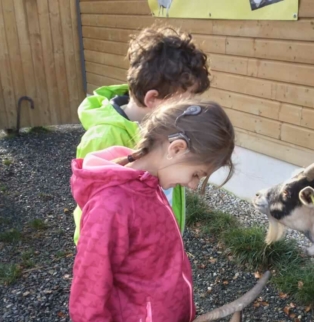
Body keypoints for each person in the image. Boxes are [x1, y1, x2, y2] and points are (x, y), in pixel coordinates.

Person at [69, 100, 235, 322]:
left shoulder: (147, 184)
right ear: (175, 149)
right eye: (196, 175)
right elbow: (86, 304)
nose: (193, 186)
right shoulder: (113, 206)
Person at [73, 25, 211, 245]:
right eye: (184, 105)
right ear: (153, 99)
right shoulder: (105, 137)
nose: (188, 113)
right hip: (124, 259)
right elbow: (94, 215)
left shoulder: (166, 130)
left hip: (155, 246)